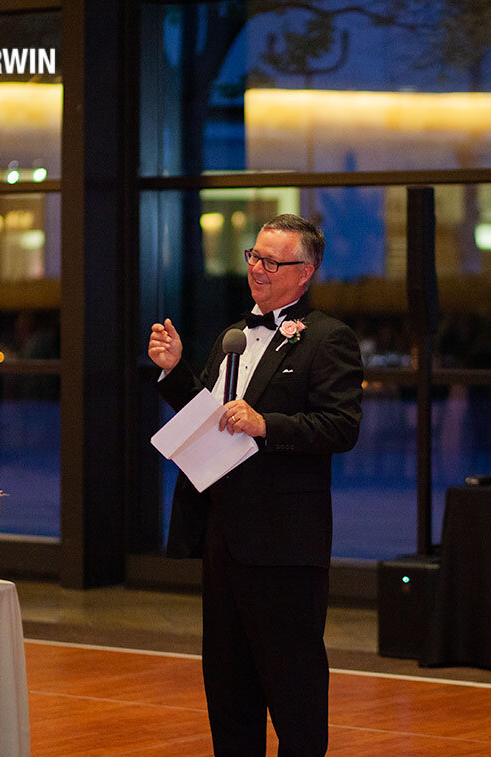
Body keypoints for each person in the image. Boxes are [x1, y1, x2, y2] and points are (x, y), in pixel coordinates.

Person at [148, 214, 363, 756]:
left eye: (273, 262)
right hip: (224, 536)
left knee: (295, 691)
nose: (258, 270)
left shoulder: (329, 339)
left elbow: (342, 427)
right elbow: (208, 418)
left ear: (305, 272)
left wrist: (268, 425)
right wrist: (175, 372)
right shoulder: (233, 337)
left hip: (286, 544)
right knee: (228, 688)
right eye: (254, 257)